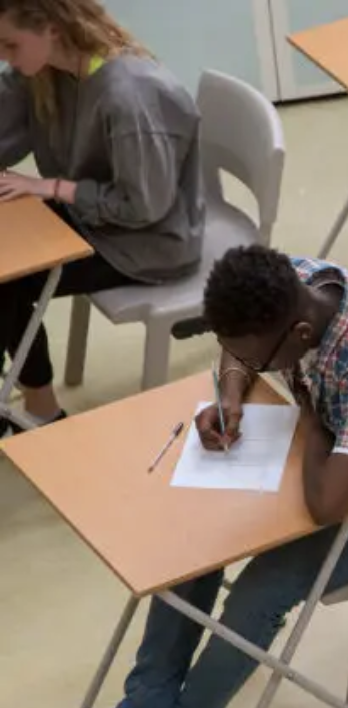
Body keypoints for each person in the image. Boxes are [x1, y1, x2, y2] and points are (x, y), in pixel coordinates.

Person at [117, 245, 348, 708]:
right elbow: (237, 348)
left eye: (259, 363)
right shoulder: (292, 282)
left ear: (301, 333)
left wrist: (310, 423)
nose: (254, 367)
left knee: (258, 595)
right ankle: (147, 698)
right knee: (194, 539)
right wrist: (232, 392)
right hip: (342, 456)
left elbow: (328, 505)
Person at [0, 0, 201, 428]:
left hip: (147, 242)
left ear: (51, 28)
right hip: (94, 215)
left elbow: (144, 207)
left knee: (7, 280)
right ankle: (16, 391)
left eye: (10, 44)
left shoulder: (128, 96)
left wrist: (51, 187)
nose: (4, 56)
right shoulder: (46, 71)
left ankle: (43, 412)